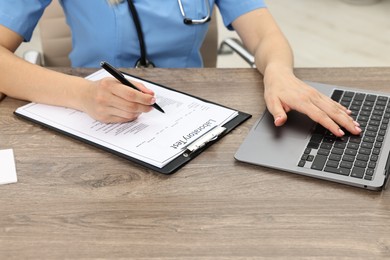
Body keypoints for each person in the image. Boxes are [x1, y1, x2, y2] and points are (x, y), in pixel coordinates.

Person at [0, 0, 361, 137]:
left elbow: (266, 34)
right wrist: (82, 94)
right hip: (94, 119)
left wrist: (279, 73)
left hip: (192, 117)